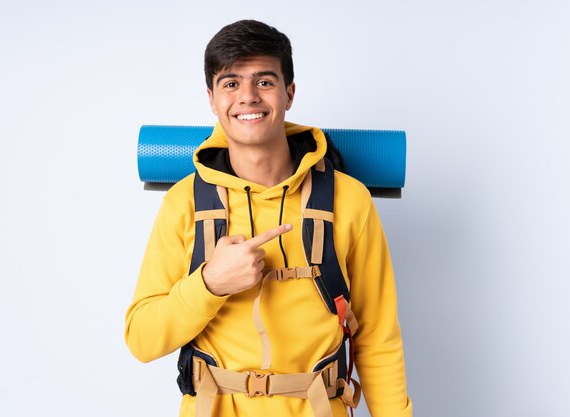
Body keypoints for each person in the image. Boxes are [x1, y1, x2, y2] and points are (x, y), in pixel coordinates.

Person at [125, 19, 412, 417]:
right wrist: (210, 283)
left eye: (264, 81)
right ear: (211, 98)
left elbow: (379, 339)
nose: (248, 97)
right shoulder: (184, 203)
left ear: (289, 92)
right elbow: (142, 338)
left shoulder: (349, 199)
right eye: (230, 83)